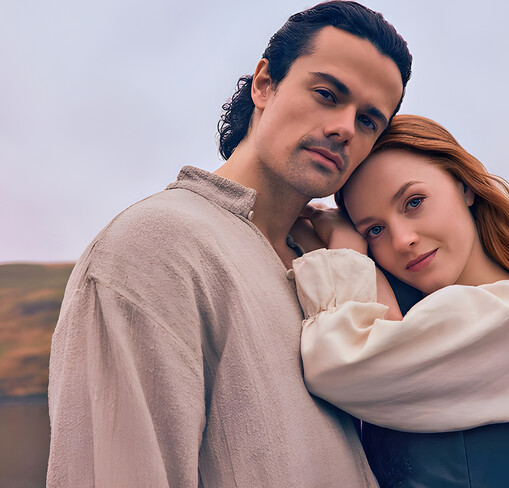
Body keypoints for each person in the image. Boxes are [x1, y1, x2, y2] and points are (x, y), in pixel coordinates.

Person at [46, 2, 412, 486]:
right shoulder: (156, 246)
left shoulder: (330, 266)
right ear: (264, 84)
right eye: (327, 94)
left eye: (368, 121)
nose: (345, 127)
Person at [293, 114, 509, 487]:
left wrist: (346, 243)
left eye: (414, 202)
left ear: (465, 187)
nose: (402, 240)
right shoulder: (407, 316)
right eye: (374, 229)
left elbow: (337, 365)